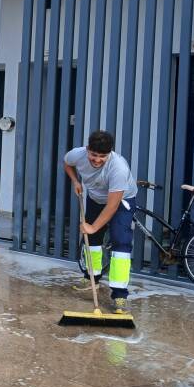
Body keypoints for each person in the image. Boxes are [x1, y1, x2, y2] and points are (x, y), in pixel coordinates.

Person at [63, 130, 138, 313]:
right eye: (93, 155)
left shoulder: (118, 168)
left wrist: (93, 226)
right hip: (96, 198)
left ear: (110, 153)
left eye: (102, 156)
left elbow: (112, 206)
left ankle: (120, 294)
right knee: (93, 241)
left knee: (120, 241)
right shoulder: (77, 154)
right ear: (87, 149)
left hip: (121, 201)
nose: (97, 160)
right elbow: (67, 164)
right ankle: (92, 278)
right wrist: (75, 181)